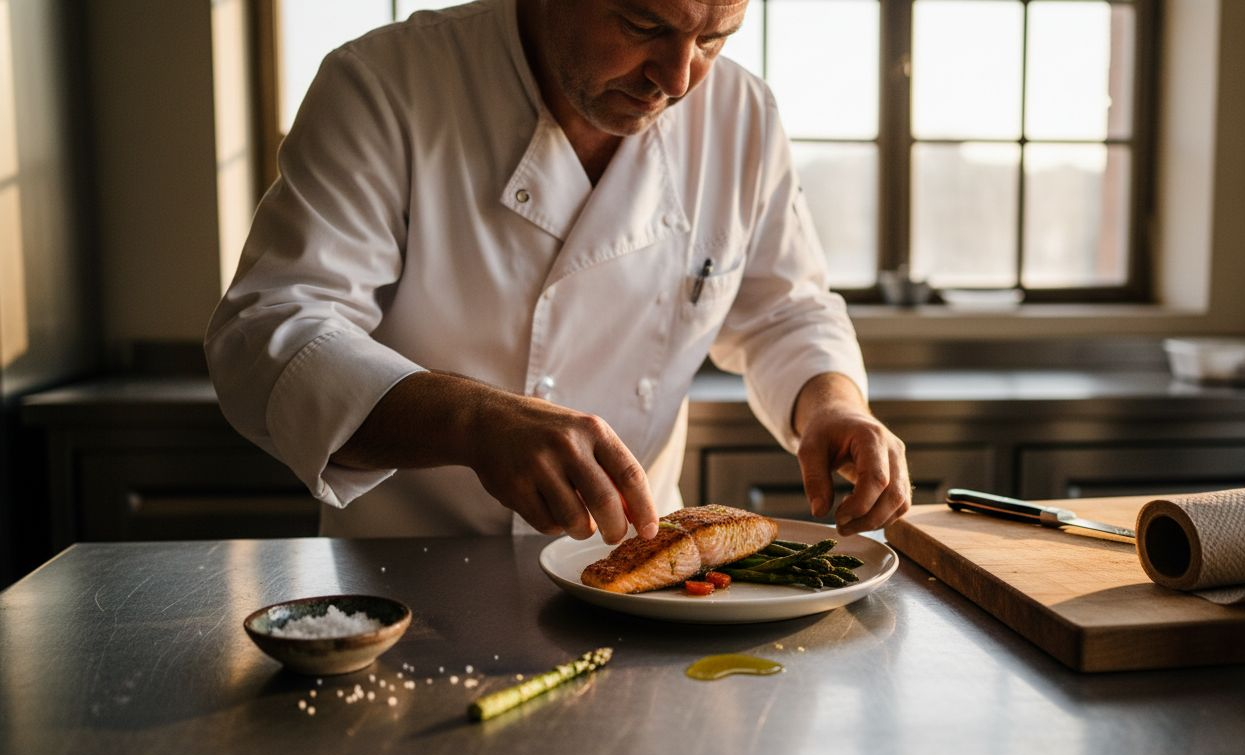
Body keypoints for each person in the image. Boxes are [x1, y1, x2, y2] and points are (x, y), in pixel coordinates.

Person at [204, 0, 911, 545]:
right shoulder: (386, 86)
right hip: (412, 575)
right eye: (642, 24)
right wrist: (473, 422)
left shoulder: (741, 114)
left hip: (635, 573)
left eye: (713, 37)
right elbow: (272, 330)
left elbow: (783, 311)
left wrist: (835, 407)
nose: (678, 77)